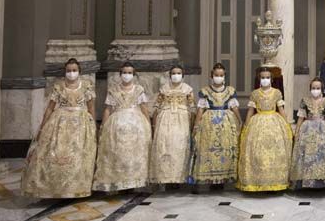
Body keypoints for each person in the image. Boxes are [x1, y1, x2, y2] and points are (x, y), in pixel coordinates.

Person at [22, 58, 97, 198]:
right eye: (69, 70)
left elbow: (91, 106)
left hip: (81, 123)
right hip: (59, 123)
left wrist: (93, 125)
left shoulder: (87, 86)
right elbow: (50, 108)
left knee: (78, 155)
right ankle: (55, 188)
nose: (71, 73)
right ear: (65, 72)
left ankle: (75, 188)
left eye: (74, 70)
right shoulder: (58, 86)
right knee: (54, 154)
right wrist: (42, 127)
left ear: (79, 72)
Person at [93, 62, 152, 192]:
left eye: (130, 73)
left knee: (134, 154)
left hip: (136, 126)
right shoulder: (113, 90)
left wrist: (148, 126)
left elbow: (144, 108)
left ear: (134, 74)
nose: (127, 75)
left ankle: (133, 183)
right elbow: (108, 109)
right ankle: (118, 182)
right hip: (116, 125)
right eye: (125, 72)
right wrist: (103, 126)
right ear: (120, 74)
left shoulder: (139, 90)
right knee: (117, 153)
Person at [237, 67, 293, 192]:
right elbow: (251, 111)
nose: (265, 80)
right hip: (257, 122)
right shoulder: (255, 93)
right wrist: (246, 126)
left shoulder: (277, 92)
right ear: (259, 79)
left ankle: (276, 181)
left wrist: (287, 124)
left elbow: (281, 109)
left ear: (271, 79)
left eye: (267, 77)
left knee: (275, 151)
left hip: (274, 121)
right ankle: (257, 181)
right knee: (257, 152)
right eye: (263, 77)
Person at [189, 63, 241, 187]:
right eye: (216, 75)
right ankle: (211, 178)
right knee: (209, 149)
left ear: (224, 76)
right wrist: (196, 125)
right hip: (209, 124)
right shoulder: (205, 91)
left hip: (226, 124)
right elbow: (201, 110)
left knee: (225, 148)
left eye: (221, 75)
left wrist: (240, 121)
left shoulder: (230, 91)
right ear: (212, 76)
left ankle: (222, 179)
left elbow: (234, 107)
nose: (219, 77)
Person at [149, 65, 196, 186]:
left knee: (179, 146)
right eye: (174, 73)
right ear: (170, 76)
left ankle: (179, 178)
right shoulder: (163, 89)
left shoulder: (187, 89)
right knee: (165, 145)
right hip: (165, 119)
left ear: (183, 75)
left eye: (179, 73)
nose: (176, 75)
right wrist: (153, 124)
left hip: (182, 119)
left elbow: (192, 107)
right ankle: (165, 177)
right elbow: (157, 106)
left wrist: (193, 124)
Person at [290, 77, 325, 189]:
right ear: (310, 89)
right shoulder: (305, 101)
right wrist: (297, 132)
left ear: (322, 89)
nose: (315, 90)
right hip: (307, 129)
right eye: (313, 88)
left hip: (323, 130)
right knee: (308, 154)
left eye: (318, 88)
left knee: (322, 155)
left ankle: (322, 181)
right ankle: (307, 180)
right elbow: (300, 117)